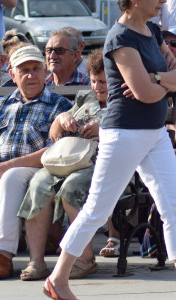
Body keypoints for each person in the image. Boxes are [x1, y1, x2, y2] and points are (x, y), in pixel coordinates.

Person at [44, 0, 176, 300]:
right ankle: (57, 279)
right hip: (124, 133)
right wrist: (160, 81)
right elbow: (145, 90)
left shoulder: (154, 31)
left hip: (154, 133)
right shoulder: (120, 37)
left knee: (175, 208)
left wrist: (155, 79)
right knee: (98, 209)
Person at [0, 44, 70, 281]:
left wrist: (5, 167)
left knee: (10, 177)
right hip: (0, 168)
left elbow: (57, 150)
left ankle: (2, 254)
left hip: (38, 169)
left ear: (45, 73)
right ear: (12, 74)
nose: (31, 75)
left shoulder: (59, 106)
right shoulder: (1, 105)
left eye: (36, 69)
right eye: (24, 70)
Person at [19, 50, 110, 280]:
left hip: (104, 165)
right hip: (68, 161)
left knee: (72, 187)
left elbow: (134, 137)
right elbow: (53, 134)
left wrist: (104, 130)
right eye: (94, 81)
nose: (97, 86)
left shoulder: (125, 102)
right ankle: (36, 261)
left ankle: (85, 258)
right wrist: (61, 119)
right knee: (38, 183)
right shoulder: (83, 98)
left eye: (103, 82)